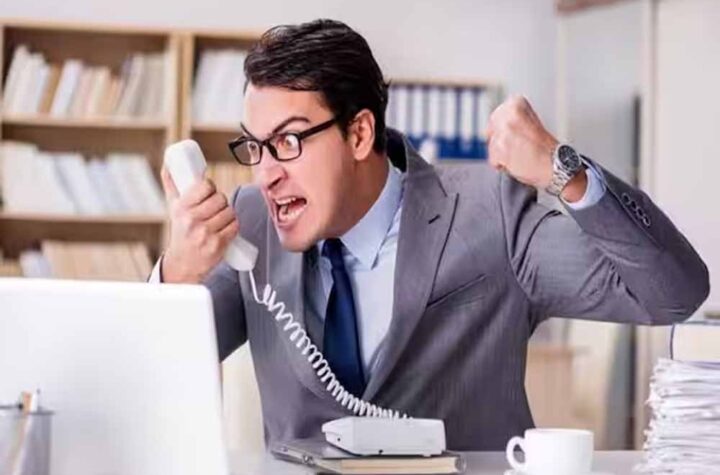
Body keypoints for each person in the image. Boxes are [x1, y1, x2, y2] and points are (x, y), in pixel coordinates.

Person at [151, 19, 709, 450]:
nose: (266, 173)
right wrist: (177, 272)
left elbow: (673, 293)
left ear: (359, 133)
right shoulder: (249, 224)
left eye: (288, 142)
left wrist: (565, 172)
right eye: (255, 146)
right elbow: (151, 377)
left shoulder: (491, 214)